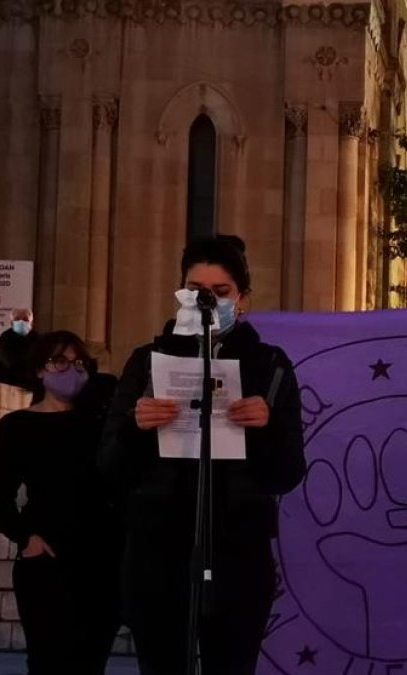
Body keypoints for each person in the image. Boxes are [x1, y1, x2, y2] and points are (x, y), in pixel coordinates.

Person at [100, 234, 307, 675]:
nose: (208, 303)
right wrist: (137, 429)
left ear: (243, 299)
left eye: (220, 293)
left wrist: (265, 429)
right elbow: (110, 467)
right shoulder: (146, 361)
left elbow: (288, 473)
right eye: (197, 292)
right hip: (158, 550)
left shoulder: (270, 367)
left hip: (238, 553)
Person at [0, 330, 122, 675]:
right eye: (59, 360)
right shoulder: (17, 426)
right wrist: (25, 538)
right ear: (40, 370)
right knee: (48, 661)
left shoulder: (101, 423)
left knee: (92, 661)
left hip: (102, 561)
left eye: (78, 363)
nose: (70, 369)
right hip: (46, 561)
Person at [0, 309, 40, 389]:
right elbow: (8, 361)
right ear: (11, 322)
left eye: (25, 319)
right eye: (17, 319)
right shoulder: (6, 337)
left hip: (32, 382)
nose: (21, 322)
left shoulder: (36, 337)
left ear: (31, 322)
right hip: (9, 382)